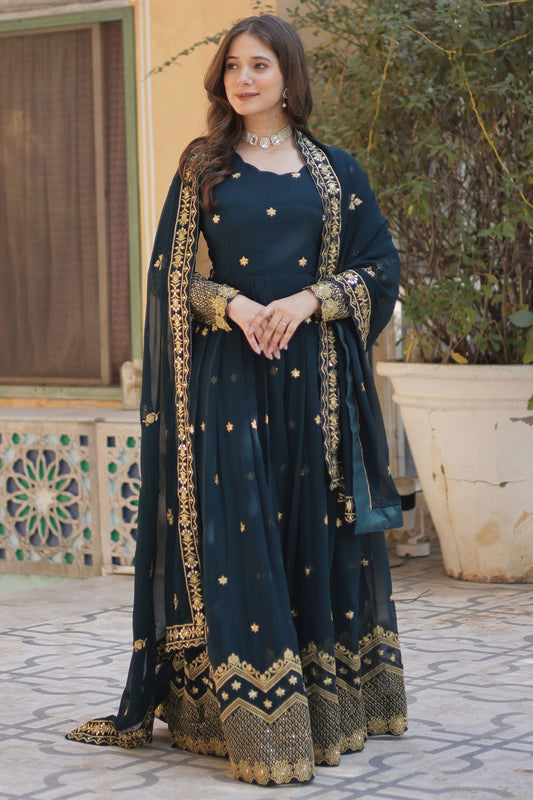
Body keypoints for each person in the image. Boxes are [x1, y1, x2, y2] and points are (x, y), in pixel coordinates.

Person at [67, 14, 408, 786]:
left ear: (288, 75)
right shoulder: (204, 166)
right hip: (229, 381)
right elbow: (170, 279)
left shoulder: (337, 172)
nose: (243, 79)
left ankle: (327, 710)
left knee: (310, 530)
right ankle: (248, 720)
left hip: (313, 384)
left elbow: (379, 266)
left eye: (258, 65)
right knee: (241, 533)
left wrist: (310, 299)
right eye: (231, 67)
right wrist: (234, 305)